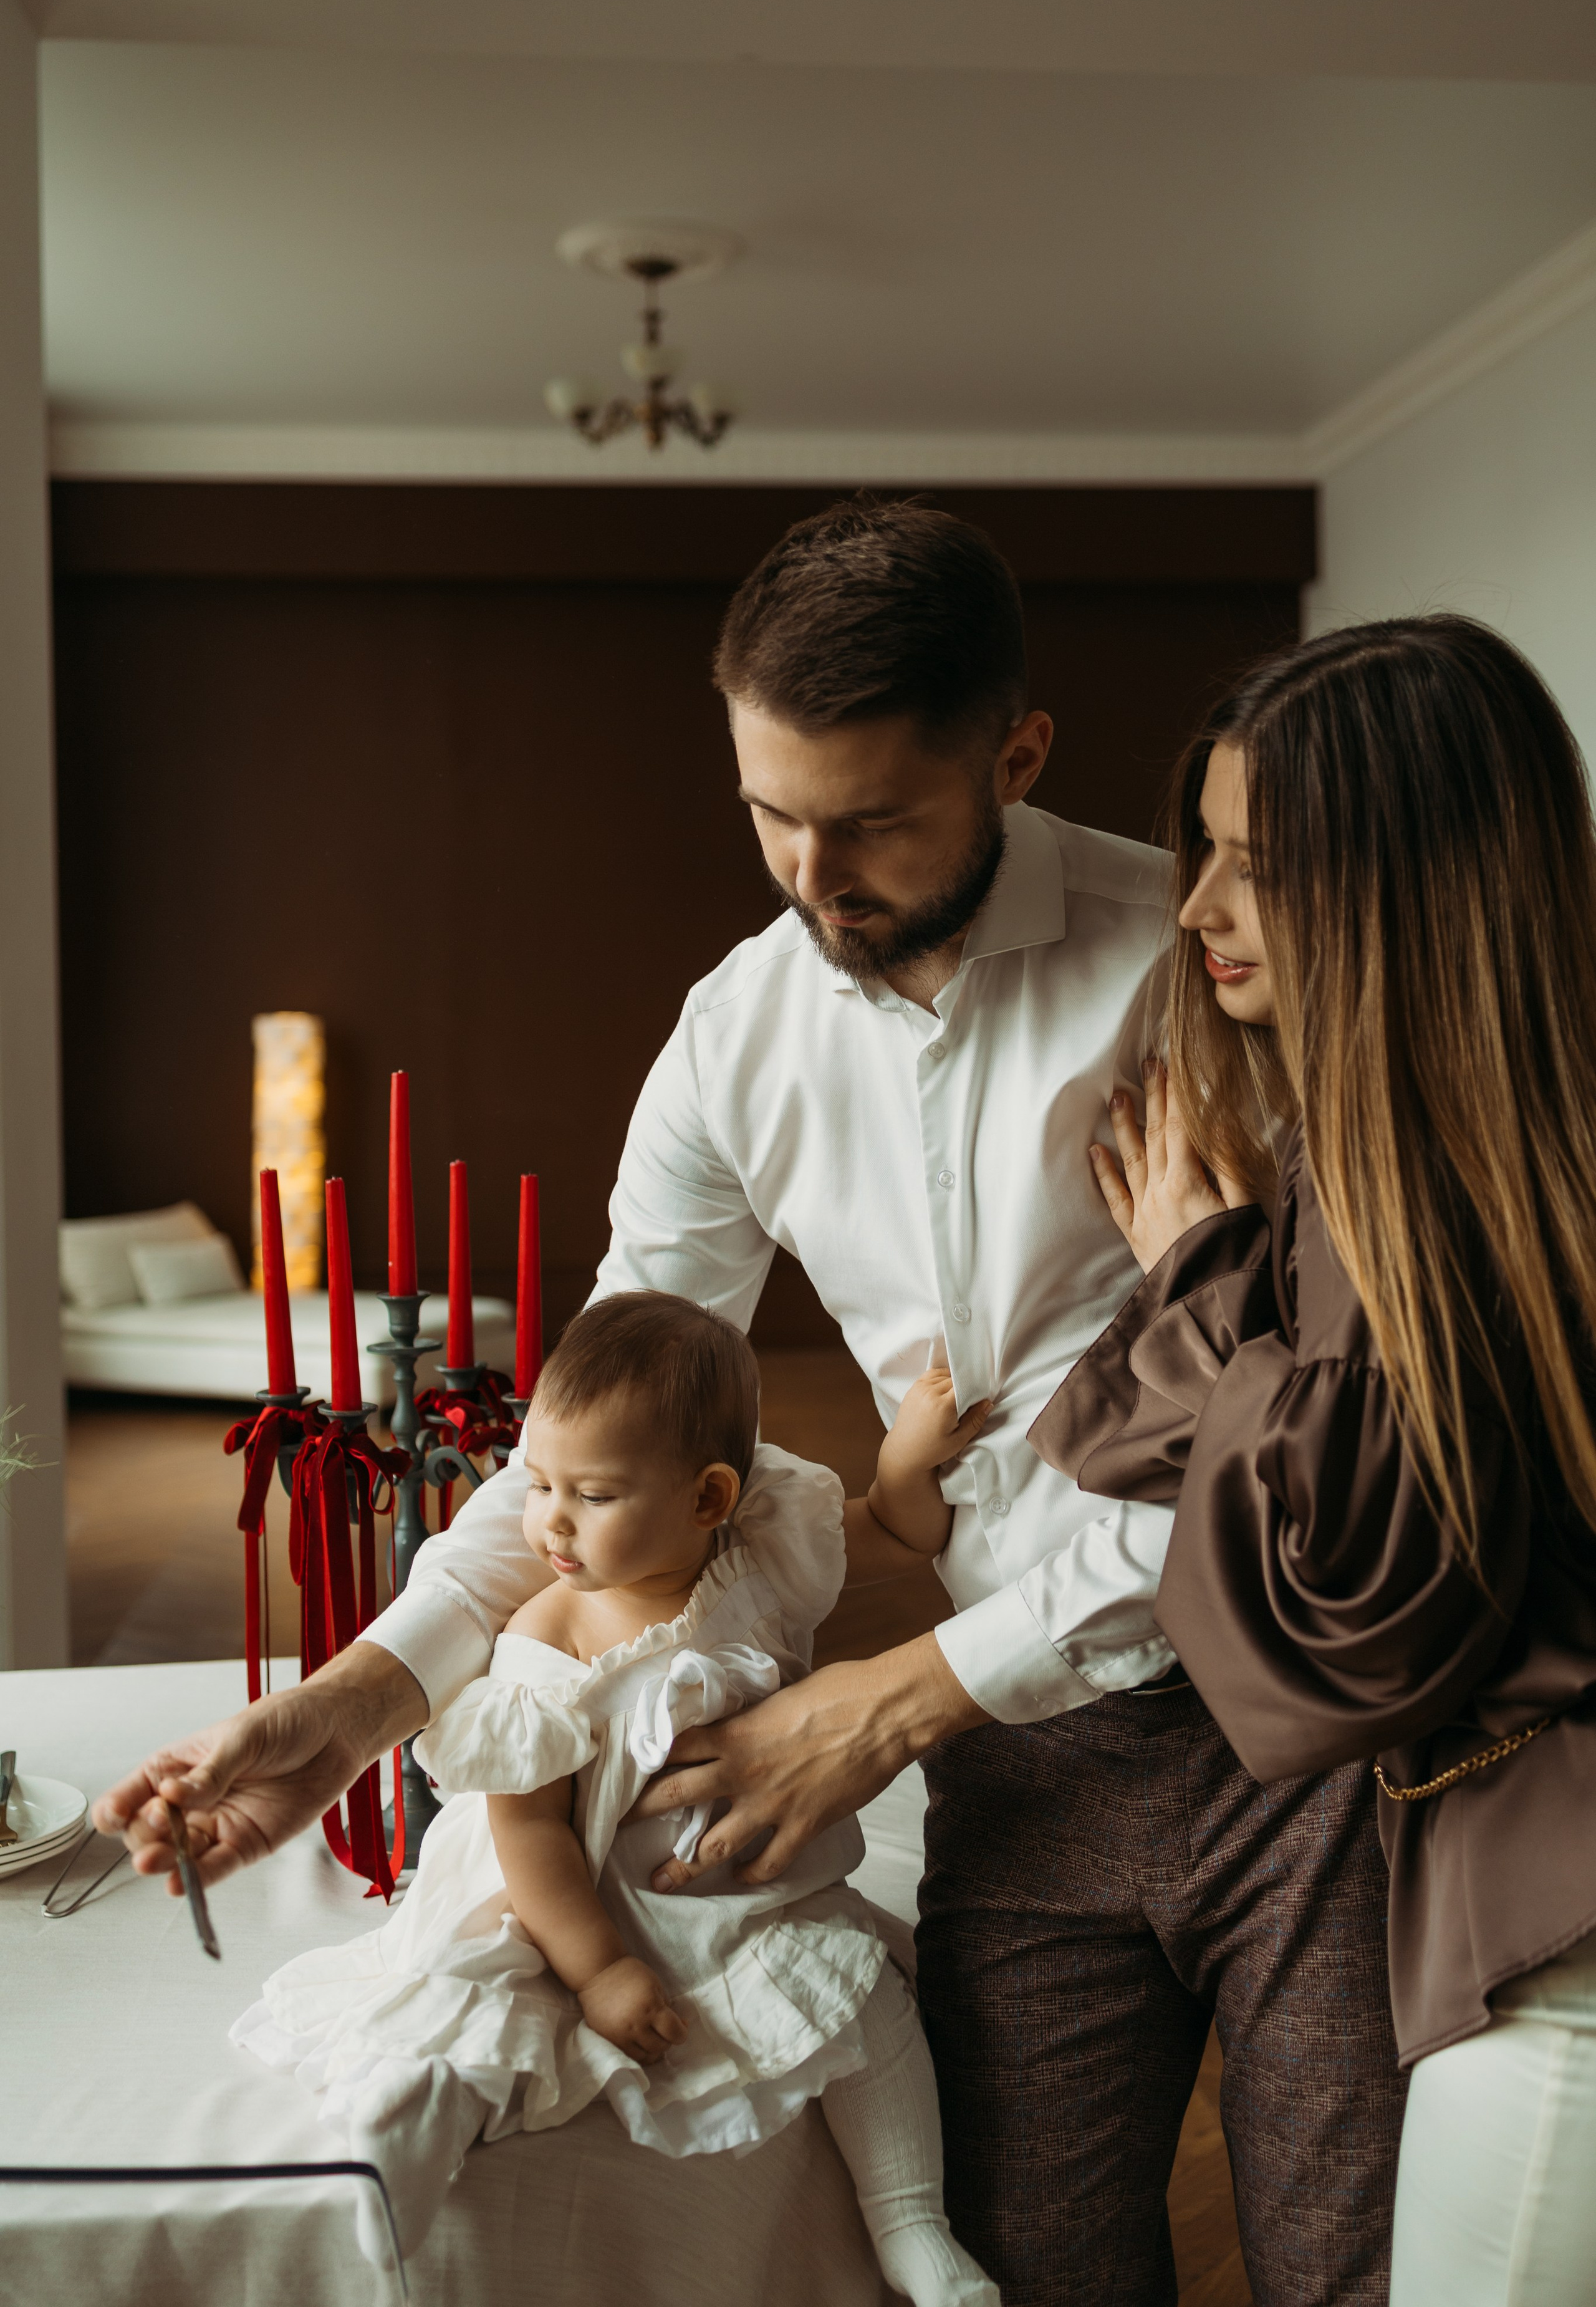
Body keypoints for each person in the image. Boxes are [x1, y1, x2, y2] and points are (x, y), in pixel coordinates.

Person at [95, 498, 1405, 2307]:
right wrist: (346, 1708)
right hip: (1025, 1774)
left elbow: (1317, 1431)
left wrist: (886, 1705)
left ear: (1014, 754)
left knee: (1364, 2270)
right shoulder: (734, 1035)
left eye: (870, 817)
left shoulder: (1202, 969)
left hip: (1306, 1740)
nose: (814, 871)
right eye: (772, 814)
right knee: (1024, 2272)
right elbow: (600, 1450)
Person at [1032, 613, 1596, 2307]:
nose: (1195, 907)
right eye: (1202, 849)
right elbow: (1128, 1428)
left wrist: (1208, 1282)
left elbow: (1322, 1638)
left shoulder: (1409, 1202)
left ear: (1415, 887)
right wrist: (1229, 1301)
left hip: (1558, 1951)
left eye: (1252, 866)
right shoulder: (1449, 1167)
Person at [233, 1291, 997, 2304]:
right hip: (570, 1893)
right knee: (483, 1993)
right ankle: (403, 2144)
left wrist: (908, 1452)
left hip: (733, 1892)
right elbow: (528, 1827)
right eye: (538, 1481)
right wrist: (597, 1971)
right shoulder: (551, 1634)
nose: (548, 1518)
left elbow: (901, 1534)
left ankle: (909, 2220)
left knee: (867, 1996)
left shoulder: (762, 1566)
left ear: (709, 1499)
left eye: (592, 1494)